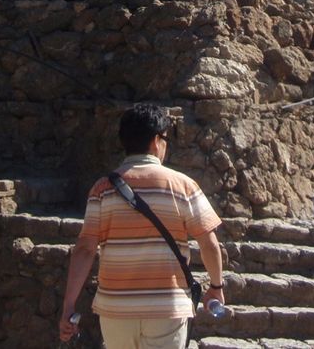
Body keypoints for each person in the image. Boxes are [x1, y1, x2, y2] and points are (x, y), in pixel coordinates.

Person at [58, 103, 225, 349]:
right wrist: (216, 286)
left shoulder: (102, 189)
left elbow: (84, 249)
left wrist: (68, 306)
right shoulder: (183, 186)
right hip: (166, 308)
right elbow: (208, 242)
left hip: (115, 309)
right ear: (157, 141)